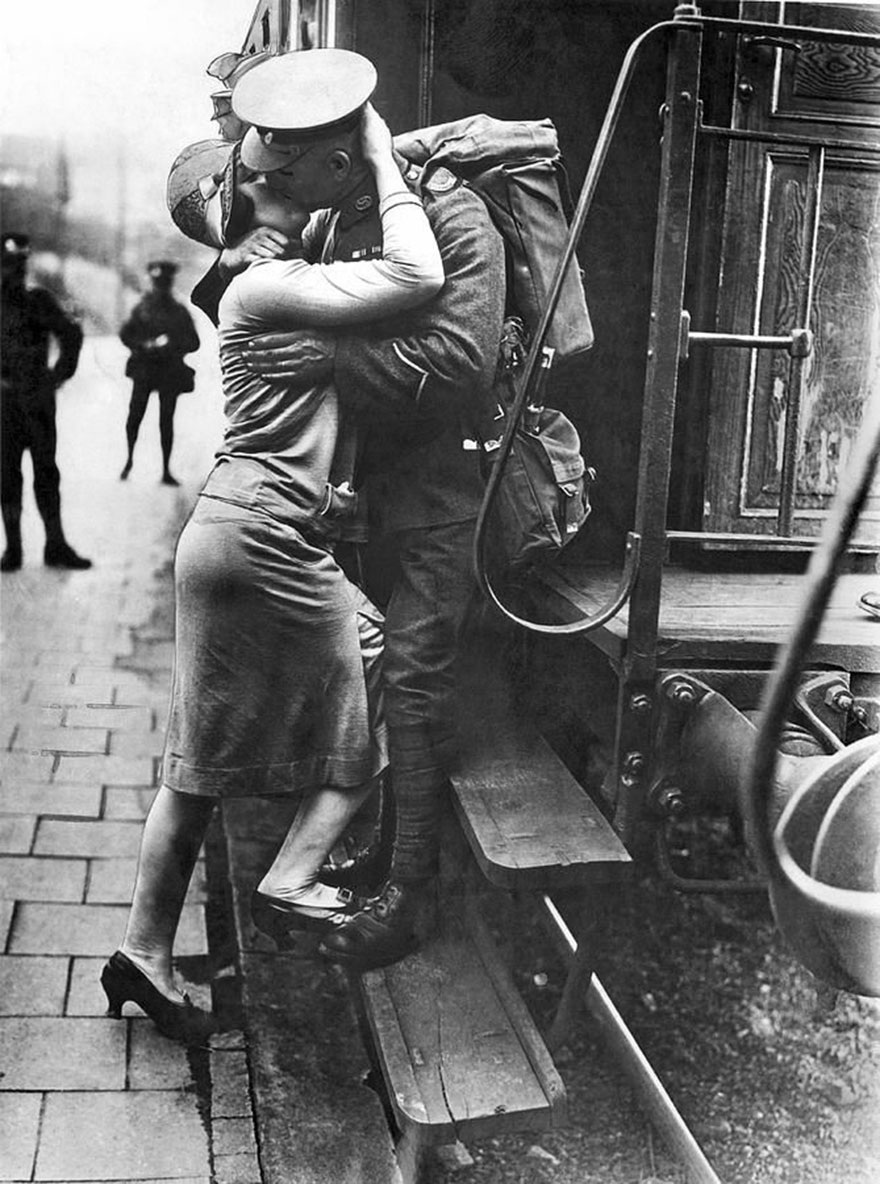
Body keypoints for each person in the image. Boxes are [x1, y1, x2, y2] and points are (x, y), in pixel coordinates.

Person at [100, 99, 445, 1043]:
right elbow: (420, 273)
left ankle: (143, 952)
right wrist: (379, 154)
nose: (281, 185)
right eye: (262, 178)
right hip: (256, 534)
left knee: (198, 764)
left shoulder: (269, 284)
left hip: (233, 526)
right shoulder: (263, 291)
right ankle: (294, 875)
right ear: (235, 208)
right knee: (378, 660)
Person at [211, 49, 507, 972]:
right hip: (380, 495)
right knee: (382, 682)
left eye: (288, 173)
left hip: (446, 491)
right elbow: (240, 306)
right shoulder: (343, 216)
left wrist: (329, 362)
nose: (277, 189)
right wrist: (248, 255)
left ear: (342, 161)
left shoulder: (454, 216)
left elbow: (462, 363)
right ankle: (386, 854)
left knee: (412, 680)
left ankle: (409, 898)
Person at [0, 233, 91, 571]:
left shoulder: (38, 301)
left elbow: (71, 333)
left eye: (18, 265)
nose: (13, 272)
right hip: (4, 404)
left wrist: (59, 375)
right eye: (8, 265)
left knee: (46, 473)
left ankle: (55, 544)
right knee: (7, 476)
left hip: (36, 401)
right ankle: (13, 550)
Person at [119, 261, 200, 486]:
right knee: (135, 416)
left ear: (169, 284)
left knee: (166, 421)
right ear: (152, 283)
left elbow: (194, 342)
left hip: (169, 371)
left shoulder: (179, 311)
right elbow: (125, 334)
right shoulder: (142, 308)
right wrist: (145, 345)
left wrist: (172, 344)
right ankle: (129, 461)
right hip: (144, 369)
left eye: (164, 284)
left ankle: (165, 469)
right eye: (157, 283)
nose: (160, 288)